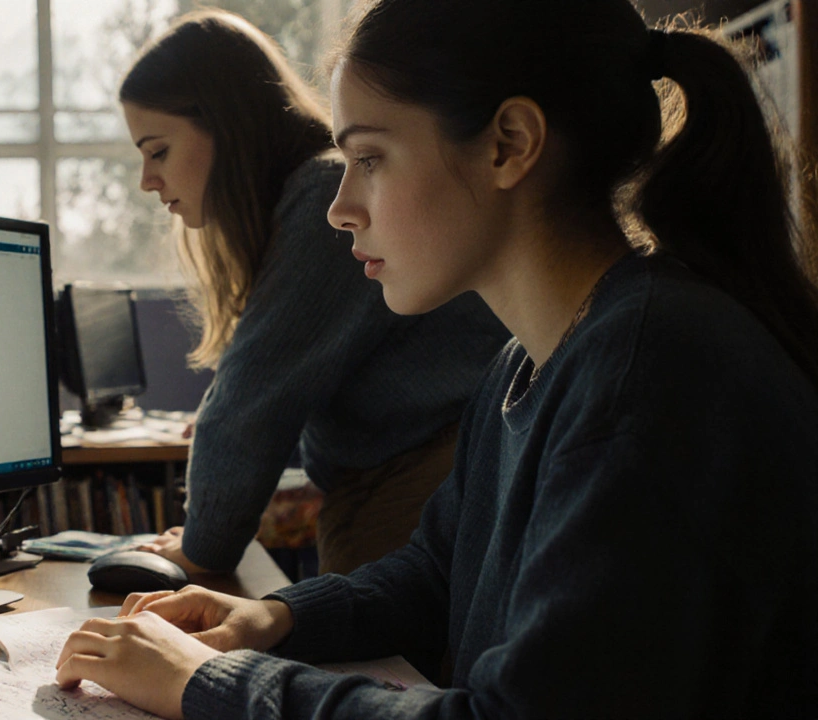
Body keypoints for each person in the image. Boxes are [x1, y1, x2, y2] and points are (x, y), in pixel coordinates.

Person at [55, 1, 818, 717]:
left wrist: (210, 683)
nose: (339, 205)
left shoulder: (648, 379)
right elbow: (435, 572)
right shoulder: (528, 362)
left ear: (508, 144)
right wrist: (273, 615)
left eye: (371, 159)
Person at [119, 9, 510, 577]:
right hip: (403, 478)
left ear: (227, 128)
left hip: (416, 483)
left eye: (158, 151)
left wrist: (198, 552)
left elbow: (253, 399)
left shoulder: (327, 197)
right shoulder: (312, 196)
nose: (147, 181)